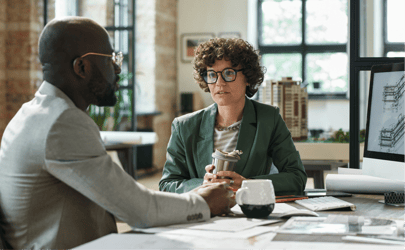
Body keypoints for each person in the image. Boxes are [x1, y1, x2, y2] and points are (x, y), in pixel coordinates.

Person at [0, 17, 234, 250]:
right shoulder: (61, 122)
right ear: (81, 67)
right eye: (111, 59)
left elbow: (121, 199)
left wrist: (195, 195)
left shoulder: (37, 113)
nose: (118, 69)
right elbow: (140, 210)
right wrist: (204, 202)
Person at [159, 38, 307, 195]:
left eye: (229, 73)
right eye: (212, 74)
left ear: (248, 77)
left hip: (251, 213)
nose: (219, 83)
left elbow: (296, 177)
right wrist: (202, 185)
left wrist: (247, 184)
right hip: (204, 214)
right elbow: (168, 184)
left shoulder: (269, 119)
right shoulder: (184, 126)